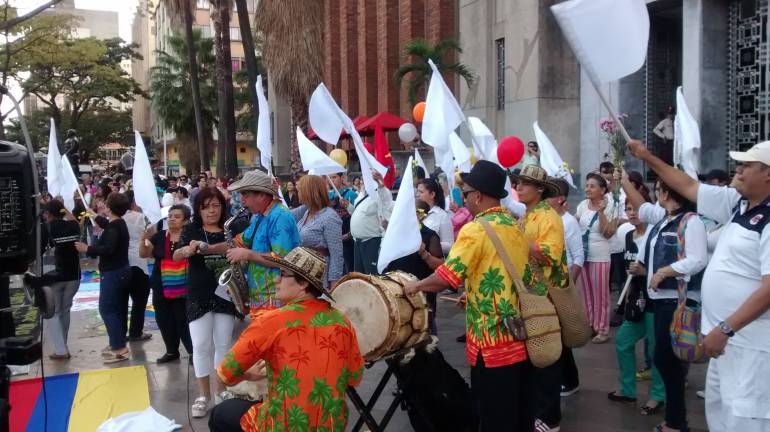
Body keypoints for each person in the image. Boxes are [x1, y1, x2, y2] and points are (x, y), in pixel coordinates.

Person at [628, 139, 770, 432]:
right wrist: (646, 156)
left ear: (767, 173)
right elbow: (688, 186)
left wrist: (727, 328)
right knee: (720, 413)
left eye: (746, 165)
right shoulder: (738, 203)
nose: (738, 170)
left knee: (745, 417)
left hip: (751, 342)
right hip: (725, 339)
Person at [404, 160, 535, 431]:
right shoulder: (514, 224)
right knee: (515, 412)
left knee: (492, 416)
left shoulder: (475, 229)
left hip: (490, 341)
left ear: (478, 196)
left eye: (465, 193)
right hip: (519, 334)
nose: (463, 199)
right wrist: (474, 293)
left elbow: (446, 277)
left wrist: (415, 286)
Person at [209, 247, 364, 432]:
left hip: (284, 426)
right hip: (332, 426)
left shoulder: (271, 322)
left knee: (220, 414)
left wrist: (249, 375)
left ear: (303, 283)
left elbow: (225, 373)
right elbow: (355, 377)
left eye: (282, 274)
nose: (276, 279)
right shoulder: (342, 321)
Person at [634, 178, 707, 432]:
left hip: (676, 298)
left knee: (668, 360)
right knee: (664, 358)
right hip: (660, 298)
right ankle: (675, 418)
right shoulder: (664, 220)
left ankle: (677, 421)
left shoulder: (691, 221)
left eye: (658, 190)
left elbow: (697, 259)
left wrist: (664, 271)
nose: (656, 194)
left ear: (666, 193)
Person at [173, 187, 238, 417]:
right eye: (206, 207)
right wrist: (187, 250)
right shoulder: (191, 229)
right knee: (200, 346)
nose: (212, 211)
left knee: (223, 345)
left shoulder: (231, 228)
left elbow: (240, 249)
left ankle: (221, 390)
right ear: (198, 210)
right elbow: (176, 255)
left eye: (216, 205)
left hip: (226, 292)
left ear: (223, 207)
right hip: (198, 294)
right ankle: (203, 395)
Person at [515, 165, 567, 432]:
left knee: (547, 357)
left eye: (525, 183)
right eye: (518, 183)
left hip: (547, 294)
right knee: (535, 355)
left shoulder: (548, 216)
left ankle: (549, 419)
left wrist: (517, 240)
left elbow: (551, 255)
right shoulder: (527, 215)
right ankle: (537, 411)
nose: (519, 187)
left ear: (539, 189)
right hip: (531, 294)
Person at [607, 200, 665, 416]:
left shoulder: (655, 235)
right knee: (623, 341)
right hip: (636, 301)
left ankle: (658, 396)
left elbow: (665, 265)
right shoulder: (628, 236)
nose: (632, 213)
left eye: (637, 209)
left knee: (655, 349)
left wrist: (644, 272)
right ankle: (628, 390)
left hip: (655, 300)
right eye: (629, 209)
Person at [226, 170, 300, 315]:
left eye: (245, 195)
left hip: (276, 299)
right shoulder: (261, 216)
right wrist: (207, 248)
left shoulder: (280, 216)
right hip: (261, 299)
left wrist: (247, 254)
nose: (242, 200)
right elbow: (237, 243)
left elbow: (282, 259)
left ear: (261, 195)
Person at [74, 193, 132, 363]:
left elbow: (108, 249)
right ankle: (117, 341)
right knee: (117, 308)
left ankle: (119, 348)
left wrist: (87, 248)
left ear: (109, 207)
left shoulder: (114, 228)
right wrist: (95, 215)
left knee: (107, 309)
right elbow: (107, 224)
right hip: (121, 270)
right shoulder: (118, 223)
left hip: (113, 272)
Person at [140, 204, 193, 363]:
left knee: (182, 319)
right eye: (170, 216)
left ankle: (193, 352)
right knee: (163, 319)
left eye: (177, 217)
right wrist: (143, 239)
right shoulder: (159, 236)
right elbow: (144, 254)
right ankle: (171, 351)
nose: (172, 219)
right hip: (160, 283)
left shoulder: (190, 236)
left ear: (185, 221)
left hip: (183, 283)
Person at [545, 177, 584, 398]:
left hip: (561, 285)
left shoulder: (568, 222)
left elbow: (578, 257)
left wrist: (568, 286)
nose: (545, 199)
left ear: (560, 199)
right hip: (547, 285)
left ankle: (570, 380)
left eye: (549, 195)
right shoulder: (546, 220)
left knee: (561, 335)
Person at [387, 199, 444, 334]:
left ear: (419, 215)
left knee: (425, 325)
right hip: (399, 288)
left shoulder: (429, 235)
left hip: (422, 289)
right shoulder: (396, 233)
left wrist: (424, 253)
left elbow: (441, 266)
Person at [576, 172, 618, 343]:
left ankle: (602, 329)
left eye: (592, 186)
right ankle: (590, 325)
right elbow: (576, 226)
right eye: (587, 186)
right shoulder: (582, 205)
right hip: (583, 255)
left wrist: (601, 212)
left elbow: (607, 233)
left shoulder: (612, 206)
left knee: (600, 295)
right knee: (586, 294)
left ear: (602, 190)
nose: (588, 189)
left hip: (600, 255)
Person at [41, 200, 81, 360]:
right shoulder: (73, 226)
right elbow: (74, 220)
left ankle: (60, 350)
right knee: (65, 310)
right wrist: (63, 209)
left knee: (54, 312)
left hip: (55, 276)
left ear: (48, 213)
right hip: (73, 275)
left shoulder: (46, 228)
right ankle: (63, 345)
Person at [290, 175, 344, 288]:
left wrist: (334, 284)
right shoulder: (307, 212)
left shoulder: (330, 217)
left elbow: (336, 254)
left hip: (319, 276)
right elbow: (285, 215)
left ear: (309, 192)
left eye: (300, 190)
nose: (297, 193)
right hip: (304, 274)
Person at [350, 170, 393, 274]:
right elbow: (358, 213)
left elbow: (387, 202)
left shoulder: (379, 194)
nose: (361, 181)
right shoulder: (361, 194)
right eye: (361, 179)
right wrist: (348, 206)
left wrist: (381, 185)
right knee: (359, 277)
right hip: (357, 242)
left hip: (371, 243)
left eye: (364, 179)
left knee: (372, 277)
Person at [123, 191, 152, 342]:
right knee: (140, 300)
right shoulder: (141, 217)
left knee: (122, 301)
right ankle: (135, 331)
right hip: (138, 261)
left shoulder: (116, 219)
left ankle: (120, 333)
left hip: (122, 262)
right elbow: (151, 232)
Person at [329, 172, 357, 272]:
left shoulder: (351, 194)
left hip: (348, 237)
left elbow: (357, 216)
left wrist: (349, 234)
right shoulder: (329, 195)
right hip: (334, 238)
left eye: (334, 177)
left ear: (342, 178)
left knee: (349, 268)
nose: (332, 180)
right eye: (330, 178)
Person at [417, 178, 454, 254]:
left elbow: (450, 245)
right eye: (417, 191)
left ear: (432, 194)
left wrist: (430, 243)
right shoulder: (418, 213)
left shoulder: (442, 216)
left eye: (421, 192)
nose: (417, 195)